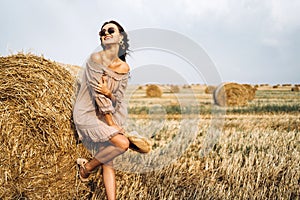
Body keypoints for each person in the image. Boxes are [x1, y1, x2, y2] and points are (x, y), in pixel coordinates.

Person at [73, 20, 130, 200]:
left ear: (120, 37)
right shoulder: (95, 59)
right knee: (123, 144)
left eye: (110, 30)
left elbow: (118, 98)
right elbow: (98, 97)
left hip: (109, 113)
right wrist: (112, 124)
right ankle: (87, 168)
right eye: (102, 31)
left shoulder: (124, 67)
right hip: (88, 113)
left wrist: (109, 92)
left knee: (108, 160)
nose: (105, 33)